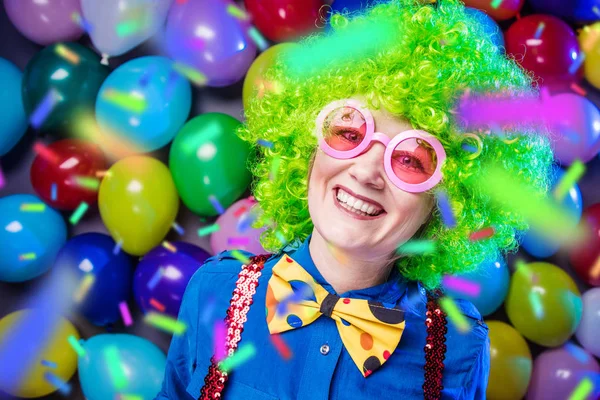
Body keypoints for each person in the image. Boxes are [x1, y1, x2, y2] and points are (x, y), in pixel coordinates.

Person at [156, 0, 553, 398]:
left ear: (445, 199)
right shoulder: (217, 289)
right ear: (309, 145)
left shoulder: (457, 348)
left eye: (411, 159)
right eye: (350, 134)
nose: (366, 172)